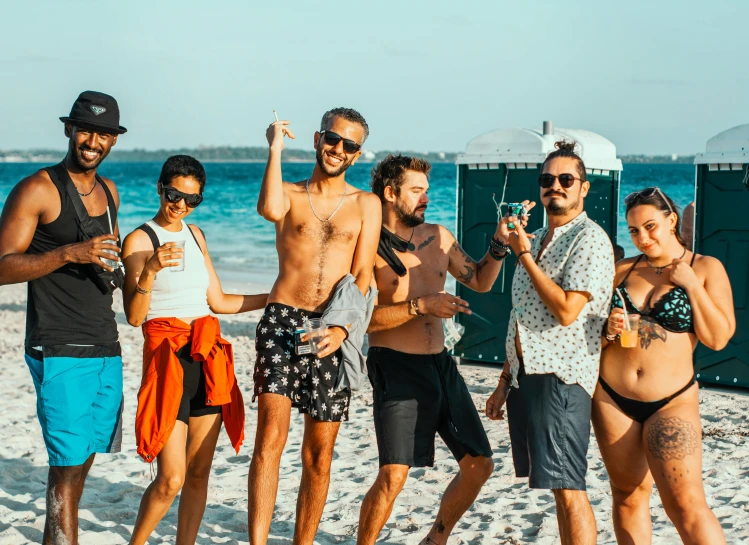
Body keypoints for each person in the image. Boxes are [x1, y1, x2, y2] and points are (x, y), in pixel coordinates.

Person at [357, 154, 523, 544]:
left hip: (441, 366)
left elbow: (480, 280)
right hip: (394, 365)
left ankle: (436, 538)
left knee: (480, 464)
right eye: (416, 191)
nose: (425, 197)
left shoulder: (439, 237)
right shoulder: (367, 244)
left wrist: (500, 242)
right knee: (394, 474)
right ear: (390, 193)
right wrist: (421, 306)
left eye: (426, 190)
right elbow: (358, 320)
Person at [249, 108, 381, 544]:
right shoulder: (287, 192)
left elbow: (363, 274)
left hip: (331, 329)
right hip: (282, 321)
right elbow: (268, 209)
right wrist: (274, 148)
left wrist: (343, 330)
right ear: (317, 138)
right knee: (270, 438)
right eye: (332, 139)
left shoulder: (366, 204)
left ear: (357, 155)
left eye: (349, 145)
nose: (338, 149)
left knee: (319, 455)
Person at [0, 90, 127, 544]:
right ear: (69, 129)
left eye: (104, 134)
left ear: (114, 140)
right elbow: (2, 266)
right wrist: (70, 252)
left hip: (105, 344)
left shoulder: (110, 192)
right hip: (57, 344)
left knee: (81, 465)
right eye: (86, 130)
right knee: (65, 467)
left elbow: (109, 263)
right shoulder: (38, 188)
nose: (94, 141)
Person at [120, 155, 268, 544]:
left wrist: (273, 297)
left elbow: (218, 301)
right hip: (167, 363)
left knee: (200, 473)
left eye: (192, 199)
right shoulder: (139, 239)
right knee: (171, 478)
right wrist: (150, 270)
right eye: (174, 195)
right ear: (160, 188)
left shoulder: (196, 234)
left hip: (206, 359)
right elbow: (135, 316)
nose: (181, 205)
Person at [485, 141, 615, 545]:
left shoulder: (589, 239)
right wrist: (505, 381)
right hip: (529, 376)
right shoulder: (538, 235)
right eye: (546, 179)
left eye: (565, 179)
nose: (554, 186)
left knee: (570, 488)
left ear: (584, 187)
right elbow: (520, 314)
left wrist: (522, 255)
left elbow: (566, 311)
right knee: (557, 490)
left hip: (562, 377)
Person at [593, 187, 734, 544]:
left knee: (686, 504)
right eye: (635, 231)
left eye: (651, 226)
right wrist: (607, 330)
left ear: (672, 221)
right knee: (627, 496)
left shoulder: (705, 267)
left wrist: (691, 286)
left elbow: (718, 338)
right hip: (612, 398)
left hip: (671, 400)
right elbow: (591, 339)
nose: (643, 237)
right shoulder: (622, 270)